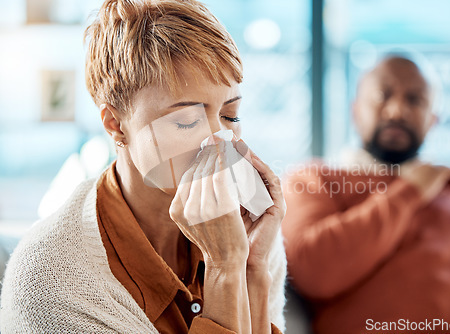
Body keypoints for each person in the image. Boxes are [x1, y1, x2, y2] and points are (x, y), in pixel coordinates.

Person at [0, 1, 287, 333]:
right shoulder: (50, 284)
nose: (219, 141)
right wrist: (224, 269)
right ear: (116, 125)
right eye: (186, 121)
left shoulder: (245, 227)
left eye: (230, 116)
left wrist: (251, 268)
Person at [282, 56, 450, 333]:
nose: (397, 110)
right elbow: (314, 271)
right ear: (355, 110)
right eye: (382, 95)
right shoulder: (315, 179)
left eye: (414, 99)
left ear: (433, 120)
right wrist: (411, 191)